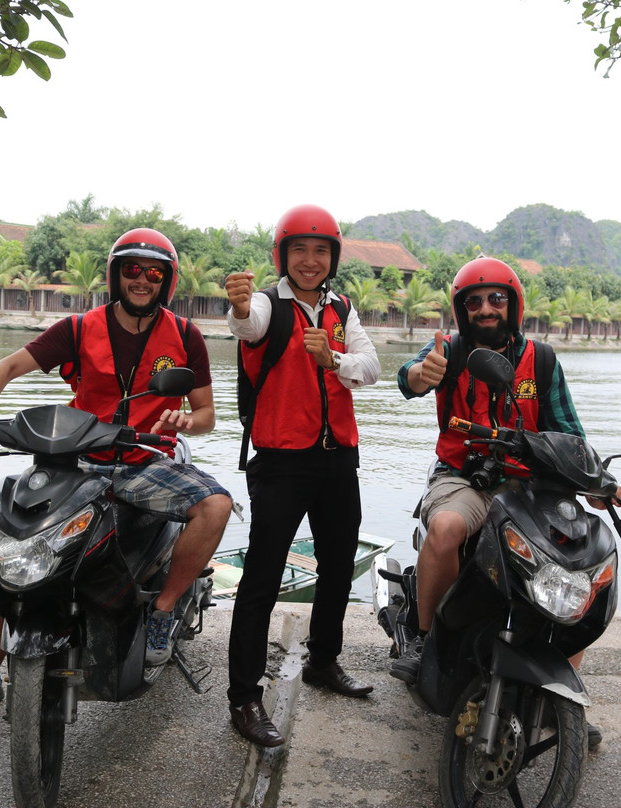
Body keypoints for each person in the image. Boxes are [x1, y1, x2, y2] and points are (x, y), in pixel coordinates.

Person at [0, 228, 234, 717]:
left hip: (146, 462)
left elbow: (206, 413)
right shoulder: (78, 328)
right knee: (20, 546)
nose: (142, 280)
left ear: (167, 281)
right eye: (132, 270)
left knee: (216, 505)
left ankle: (163, 611)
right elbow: (11, 366)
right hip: (80, 462)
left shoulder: (185, 337)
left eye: (153, 273)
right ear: (116, 275)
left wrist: (186, 420)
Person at [392, 256, 621, 750]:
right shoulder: (449, 352)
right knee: (447, 529)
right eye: (473, 301)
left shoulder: (540, 360)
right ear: (461, 310)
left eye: (495, 299)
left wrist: (599, 480)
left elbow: (569, 430)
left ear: (512, 305)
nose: (485, 308)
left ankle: (563, 690)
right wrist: (420, 375)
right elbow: (410, 376)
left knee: (577, 560)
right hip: (464, 477)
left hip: (529, 487)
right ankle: (425, 638)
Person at [222, 204, 381, 747]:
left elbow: (371, 367)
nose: (310, 261)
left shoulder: (341, 307)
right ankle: (244, 696)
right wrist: (240, 306)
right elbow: (250, 326)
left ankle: (323, 662)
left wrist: (333, 359)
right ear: (282, 255)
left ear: (332, 257)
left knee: (337, 566)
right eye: (299, 250)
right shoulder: (268, 303)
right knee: (262, 578)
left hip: (337, 457)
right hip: (282, 459)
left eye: (320, 251)